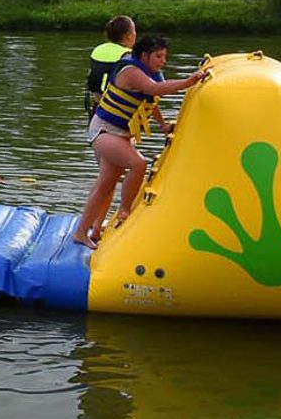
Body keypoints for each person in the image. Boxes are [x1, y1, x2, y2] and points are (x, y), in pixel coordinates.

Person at [72, 36, 208, 249]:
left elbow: (151, 101)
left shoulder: (150, 75)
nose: (163, 61)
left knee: (107, 182)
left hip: (121, 134)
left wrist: (163, 126)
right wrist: (189, 81)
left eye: (165, 56)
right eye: (158, 56)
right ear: (144, 55)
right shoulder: (132, 72)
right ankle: (124, 210)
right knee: (138, 164)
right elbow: (155, 89)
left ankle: (93, 230)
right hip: (104, 131)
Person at [84, 15, 136, 116]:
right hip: (118, 109)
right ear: (129, 35)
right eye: (134, 31)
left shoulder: (97, 50)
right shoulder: (129, 55)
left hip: (97, 106)